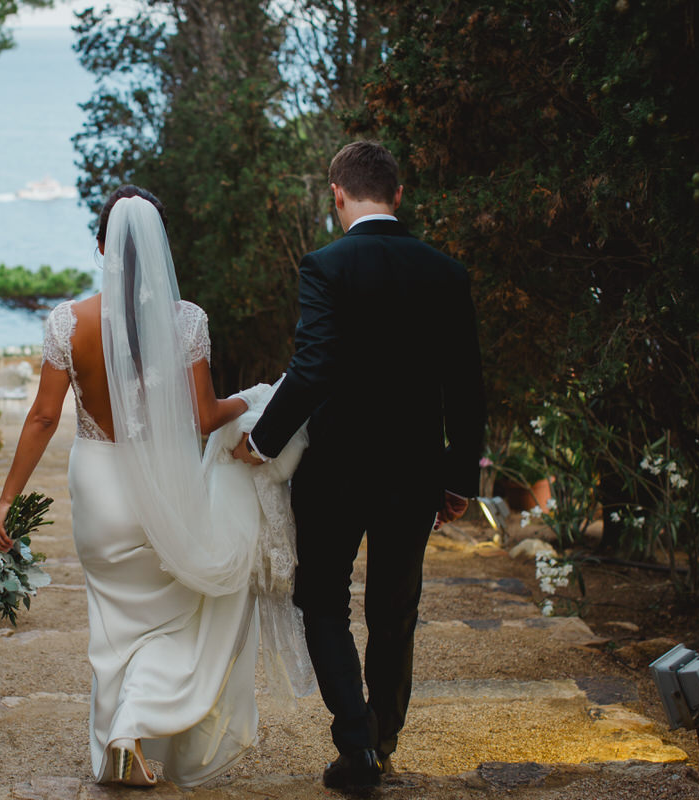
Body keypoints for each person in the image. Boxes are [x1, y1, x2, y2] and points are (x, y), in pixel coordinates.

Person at [0, 185, 259, 788]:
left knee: (113, 625)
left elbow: (42, 418)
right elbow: (205, 416)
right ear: (159, 247)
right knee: (176, 618)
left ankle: (122, 734)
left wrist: (5, 501)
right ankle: (132, 726)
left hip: (100, 492)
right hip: (164, 491)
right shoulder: (186, 321)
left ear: (101, 245)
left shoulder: (67, 322)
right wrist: (259, 398)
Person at [234, 141, 487, 792]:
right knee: (394, 610)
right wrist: (458, 478)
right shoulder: (446, 272)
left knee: (322, 601)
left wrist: (261, 443)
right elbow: (465, 386)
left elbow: (313, 367)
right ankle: (383, 740)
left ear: (337, 195)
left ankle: (356, 745)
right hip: (415, 471)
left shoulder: (326, 266)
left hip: (336, 472)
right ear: (398, 196)